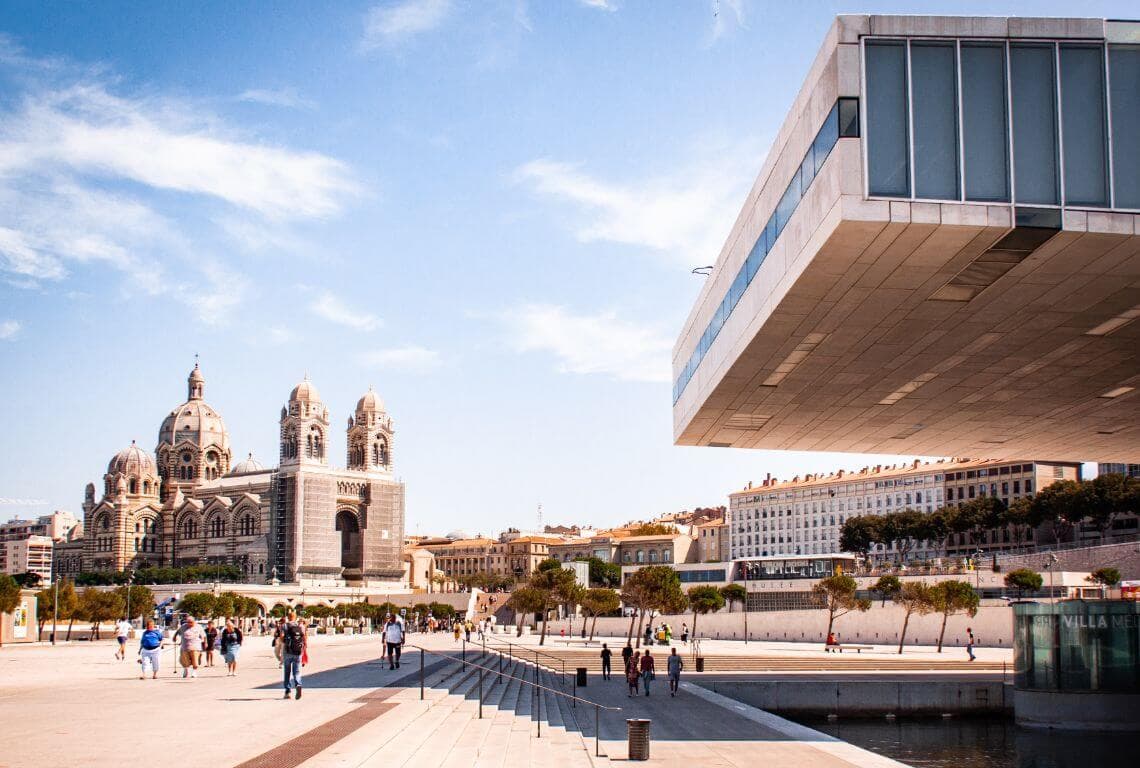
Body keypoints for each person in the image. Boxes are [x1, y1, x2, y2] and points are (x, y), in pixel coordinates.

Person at [282, 611, 306, 699]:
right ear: (295, 617)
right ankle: (298, 684)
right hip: (298, 651)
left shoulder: (284, 625)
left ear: (288, 617)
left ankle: (287, 691)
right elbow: (304, 637)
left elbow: (281, 636)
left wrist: (284, 642)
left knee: (287, 671)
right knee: (297, 671)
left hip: (287, 651)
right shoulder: (300, 626)